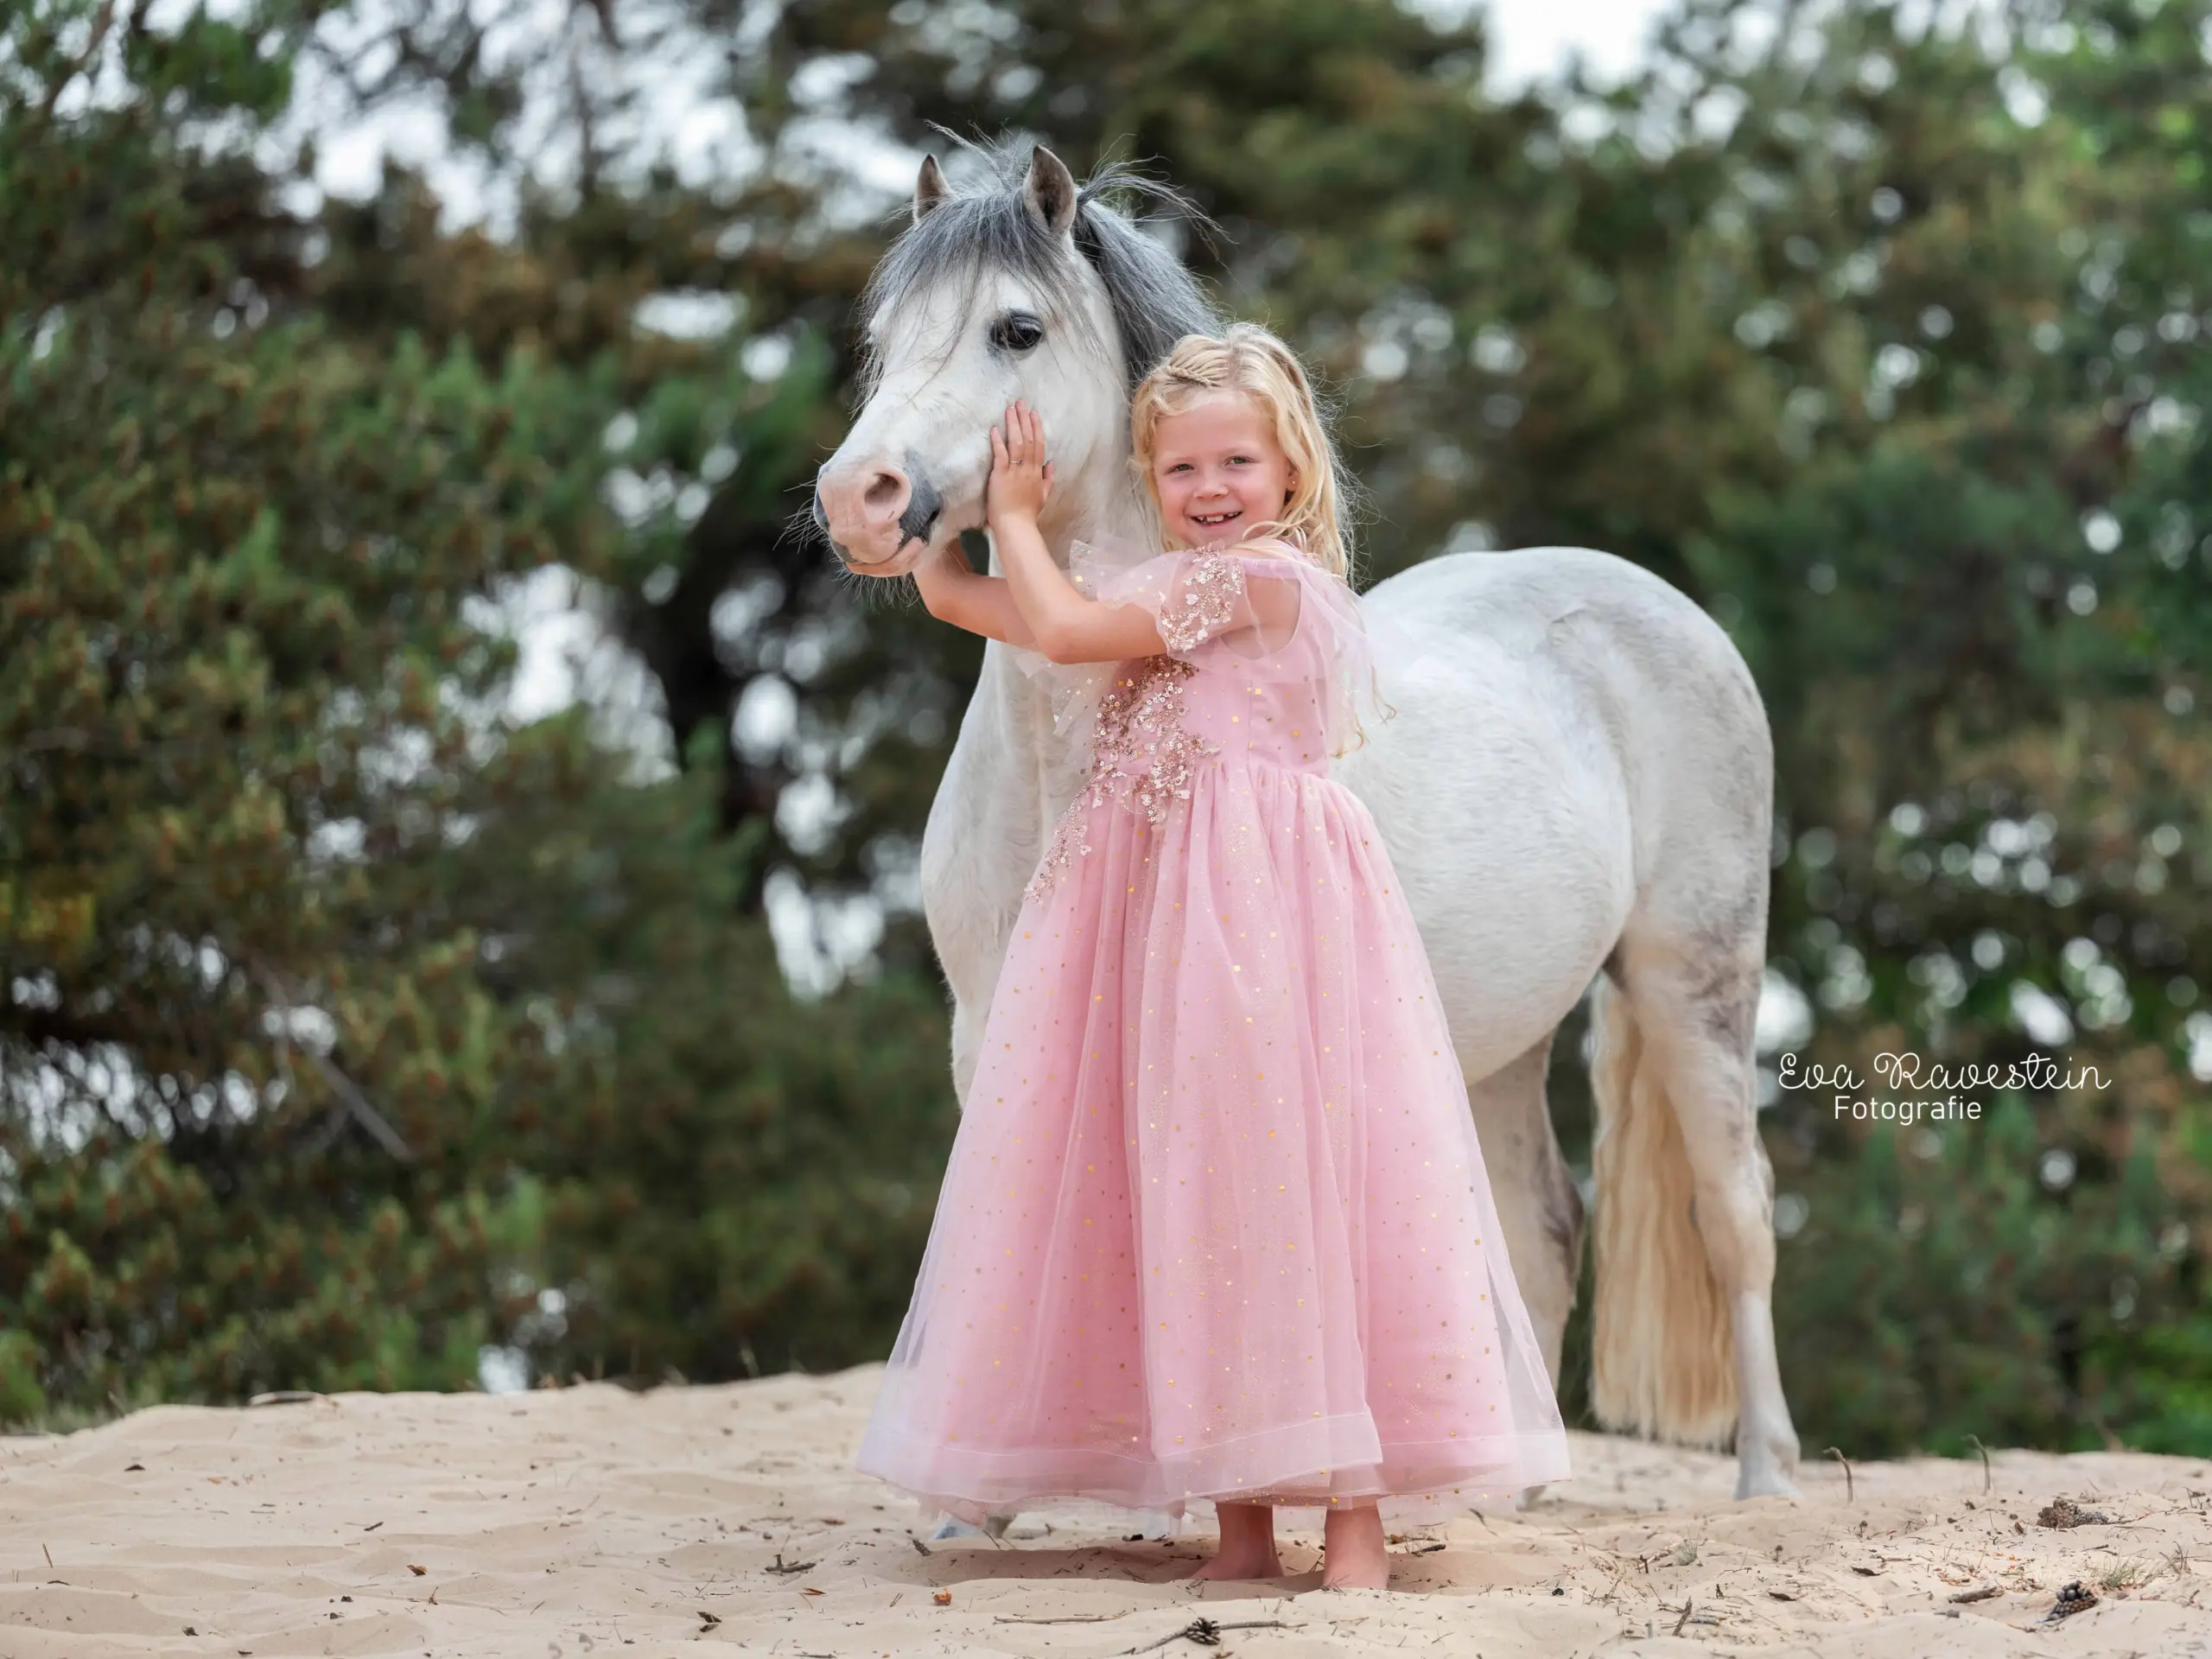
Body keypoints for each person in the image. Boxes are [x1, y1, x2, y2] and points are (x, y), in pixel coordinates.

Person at [855, 324, 1572, 1591]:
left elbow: (1067, 626)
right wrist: (933, 540)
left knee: (1294, 1189)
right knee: (1203, 1195)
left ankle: (1354, 1524)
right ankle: (1241, 1521)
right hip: (1171, 911)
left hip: (1254, 911)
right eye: (1180, 471)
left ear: (1290, 471)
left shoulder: (1260, 580)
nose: (1210, 490)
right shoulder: (1178, 587)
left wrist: (1016, 512)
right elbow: (998, 613)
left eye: (1235, 461)